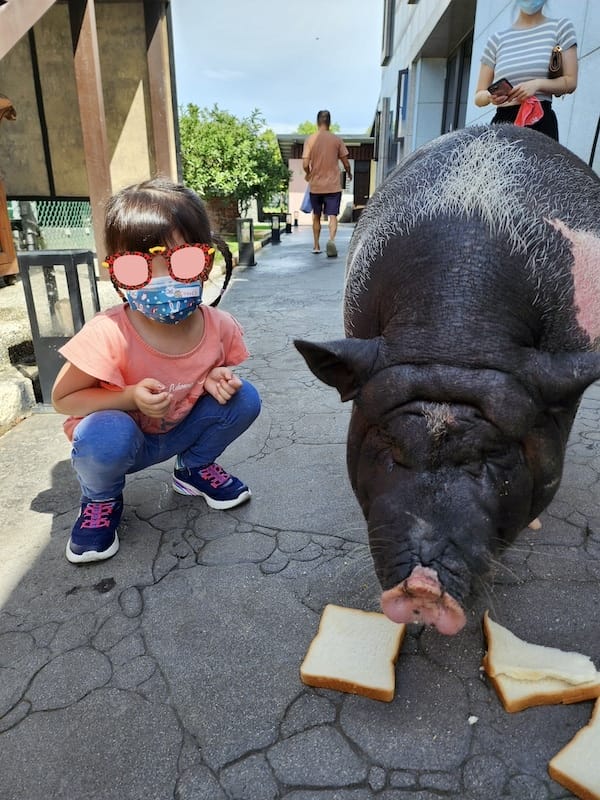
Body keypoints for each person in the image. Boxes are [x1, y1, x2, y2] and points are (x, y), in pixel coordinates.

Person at [51, 177, 261, 564]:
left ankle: (193, 470)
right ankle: (101, 500)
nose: (161, 280)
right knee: (105, 431)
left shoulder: (219, 325)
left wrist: (214, 377)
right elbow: (63, 399)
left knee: (244, 397)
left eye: (181, 262)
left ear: (207, 260)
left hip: (177, 431)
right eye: (137, 268)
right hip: (122, 444)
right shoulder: (109, 332)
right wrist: (128, 397)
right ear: (116, 275)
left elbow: (206, 372)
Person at [474, 0, 577, 142]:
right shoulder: (496, 40)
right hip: (502, 125)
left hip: (541, 122)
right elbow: (478, 97)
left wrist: (537, 85)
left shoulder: (560, 28)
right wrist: (491, 96)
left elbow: (570, 81)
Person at [302, 109, 352, 257]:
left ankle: (316, 245)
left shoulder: (310, 140)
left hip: (316, 186)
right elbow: (345, 162)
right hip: (333, 185)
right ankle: (331, 240)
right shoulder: (336, 140)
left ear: (317, 122)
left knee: (316, 215)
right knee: (332, 216)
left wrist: (308, 174)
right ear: (329, 122)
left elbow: (305, 163)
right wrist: (349, 173)